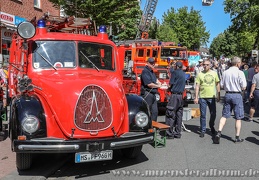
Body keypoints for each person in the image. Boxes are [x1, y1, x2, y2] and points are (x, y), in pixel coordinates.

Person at [214, 56, 247, 144]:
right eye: (240, 63)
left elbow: (221, 85)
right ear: (237, 63)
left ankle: (219, 132)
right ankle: (237, 137)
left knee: (224, 115)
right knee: (238, 117)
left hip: (228, 94)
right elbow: (244, 86)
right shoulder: (240, 73)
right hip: (237, 95)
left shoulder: (225, 72)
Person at [194, 59, 220, 138]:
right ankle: (203, 130)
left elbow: (217, 84)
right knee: (203, 115)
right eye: (204, 64)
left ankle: (211, 125)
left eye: (207, 64)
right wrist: (196, 97)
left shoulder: (214, 73)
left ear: (210, 65)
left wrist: (218, 95)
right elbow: (197, 86)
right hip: (202, 97)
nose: (205, 66)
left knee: (213, 114)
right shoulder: (200, 74)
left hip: (212, 97)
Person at [165, 61, 186, 139]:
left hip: (174, 96)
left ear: (177, 66)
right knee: (179, 115)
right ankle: (178, 133)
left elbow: (170, 84)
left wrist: (167, 87)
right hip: (181, 96)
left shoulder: (175, 72)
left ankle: (169, 133)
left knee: (170, 114)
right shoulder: (183, 73)